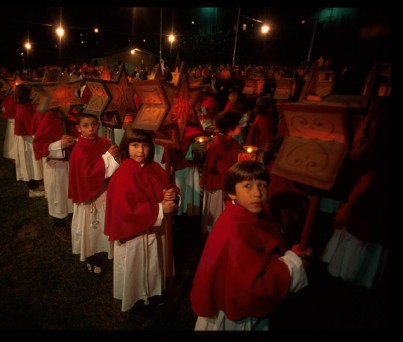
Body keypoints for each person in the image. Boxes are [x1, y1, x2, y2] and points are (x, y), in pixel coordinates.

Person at [190, 160, 310, 331]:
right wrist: (293, 263)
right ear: (232, 193)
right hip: (236, 313)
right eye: (248, 186)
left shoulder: (249, 216)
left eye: (262, 185)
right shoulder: (236, 230)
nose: (257, 193)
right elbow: (252, 289)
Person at [104, 127, 178, 312]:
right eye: (135, 145)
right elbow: (126, 212)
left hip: (155, 232)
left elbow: (169, 188)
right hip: (134, 236)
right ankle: (138, 296)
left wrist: (172, 196)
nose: (140, 151)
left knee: (154, 263)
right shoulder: (122, 175)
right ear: (126, 147)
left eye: (145, 145)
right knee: (138, 266)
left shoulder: (155, 169)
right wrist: (161, 209)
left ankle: (154, 292)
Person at [68, 112, 120, 275]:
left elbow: (114, 164)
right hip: (89, 197)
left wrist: (115, 156)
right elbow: (87, 175)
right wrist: (107, 158)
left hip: (104, 192)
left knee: (104, 225)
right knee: (90, 230)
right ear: (78, 128)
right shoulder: (79, 150)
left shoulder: (103, 142)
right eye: (86, 125)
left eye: (94, 124)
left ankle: (106, 249)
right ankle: (90, 256)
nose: (91, 129)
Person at [33, 107, 77, 241]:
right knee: (58, 196)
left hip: (70, 164)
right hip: (56, 167)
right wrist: (59, 144)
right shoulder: (48, 119)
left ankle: (72, 222)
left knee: (70, 195)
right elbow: (40, 145)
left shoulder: (71, 115)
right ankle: (59, 226)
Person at [200, 110, 243, 234]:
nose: (240, 126)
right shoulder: (224, 144)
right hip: (220, 183)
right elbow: (217, 165)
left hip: (221, 181)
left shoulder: (225, 141)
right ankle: (216, 231)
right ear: (230, 128)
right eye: (238, 124)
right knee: (218, 208)